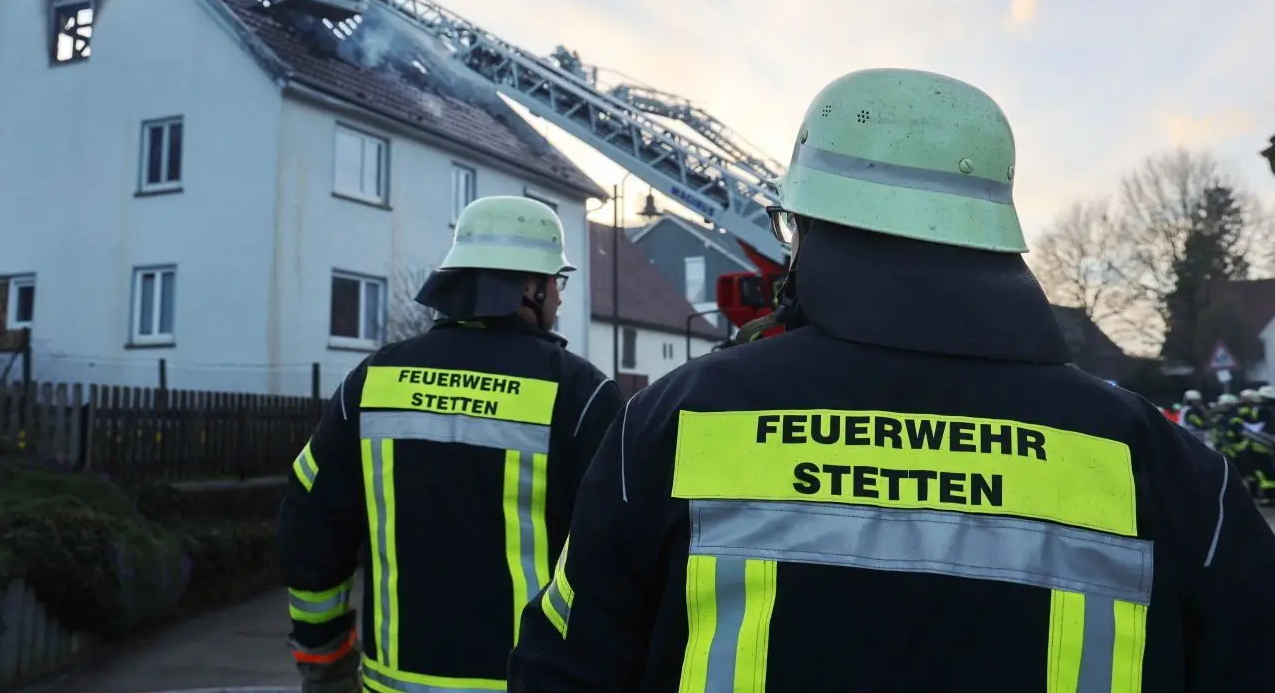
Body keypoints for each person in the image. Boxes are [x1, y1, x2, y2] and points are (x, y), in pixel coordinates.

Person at [508, 67, 1275, 693]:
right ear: (994, 236)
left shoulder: (674, 424)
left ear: (807, 225)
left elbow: (565, 672)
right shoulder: (1169, 468)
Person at [276, 195, 623, 693]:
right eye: (555, 281)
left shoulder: (372, 381)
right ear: (529, 287)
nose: (560, 297)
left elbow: (312, 519)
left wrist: (322, 647)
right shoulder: (581, 394)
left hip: (394, 683)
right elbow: (618, 550)